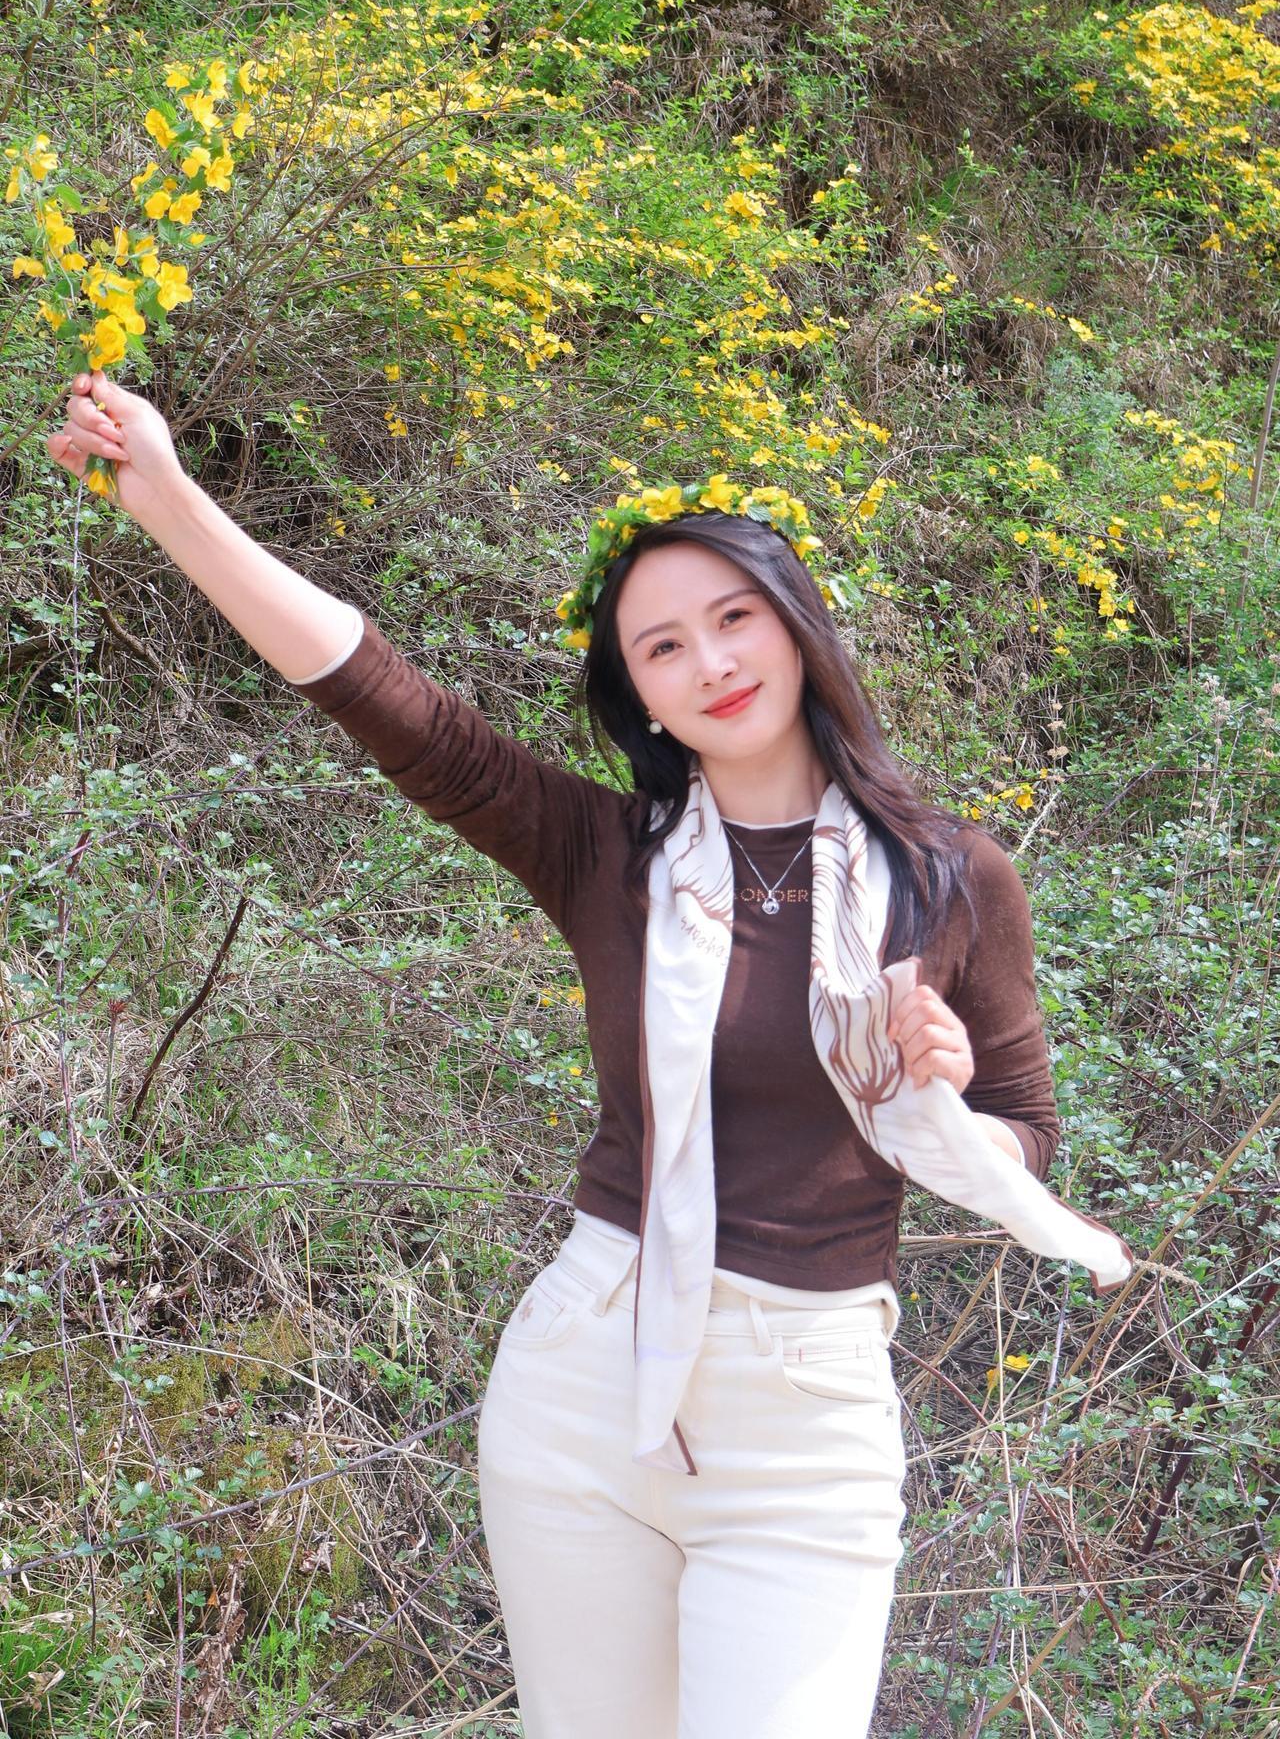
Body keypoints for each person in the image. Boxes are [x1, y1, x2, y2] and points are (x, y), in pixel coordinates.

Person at [49, 371, 1133, 1739]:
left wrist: (950, 1093)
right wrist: (168, 498)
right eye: (663, 647)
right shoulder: (609, 856)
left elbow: (1030, 1138)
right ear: (641, 697)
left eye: (733, 619)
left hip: (806, 1422)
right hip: (583, 1381)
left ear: (798, 626)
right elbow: (384, 696)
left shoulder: (951, 877)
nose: (712, 663)